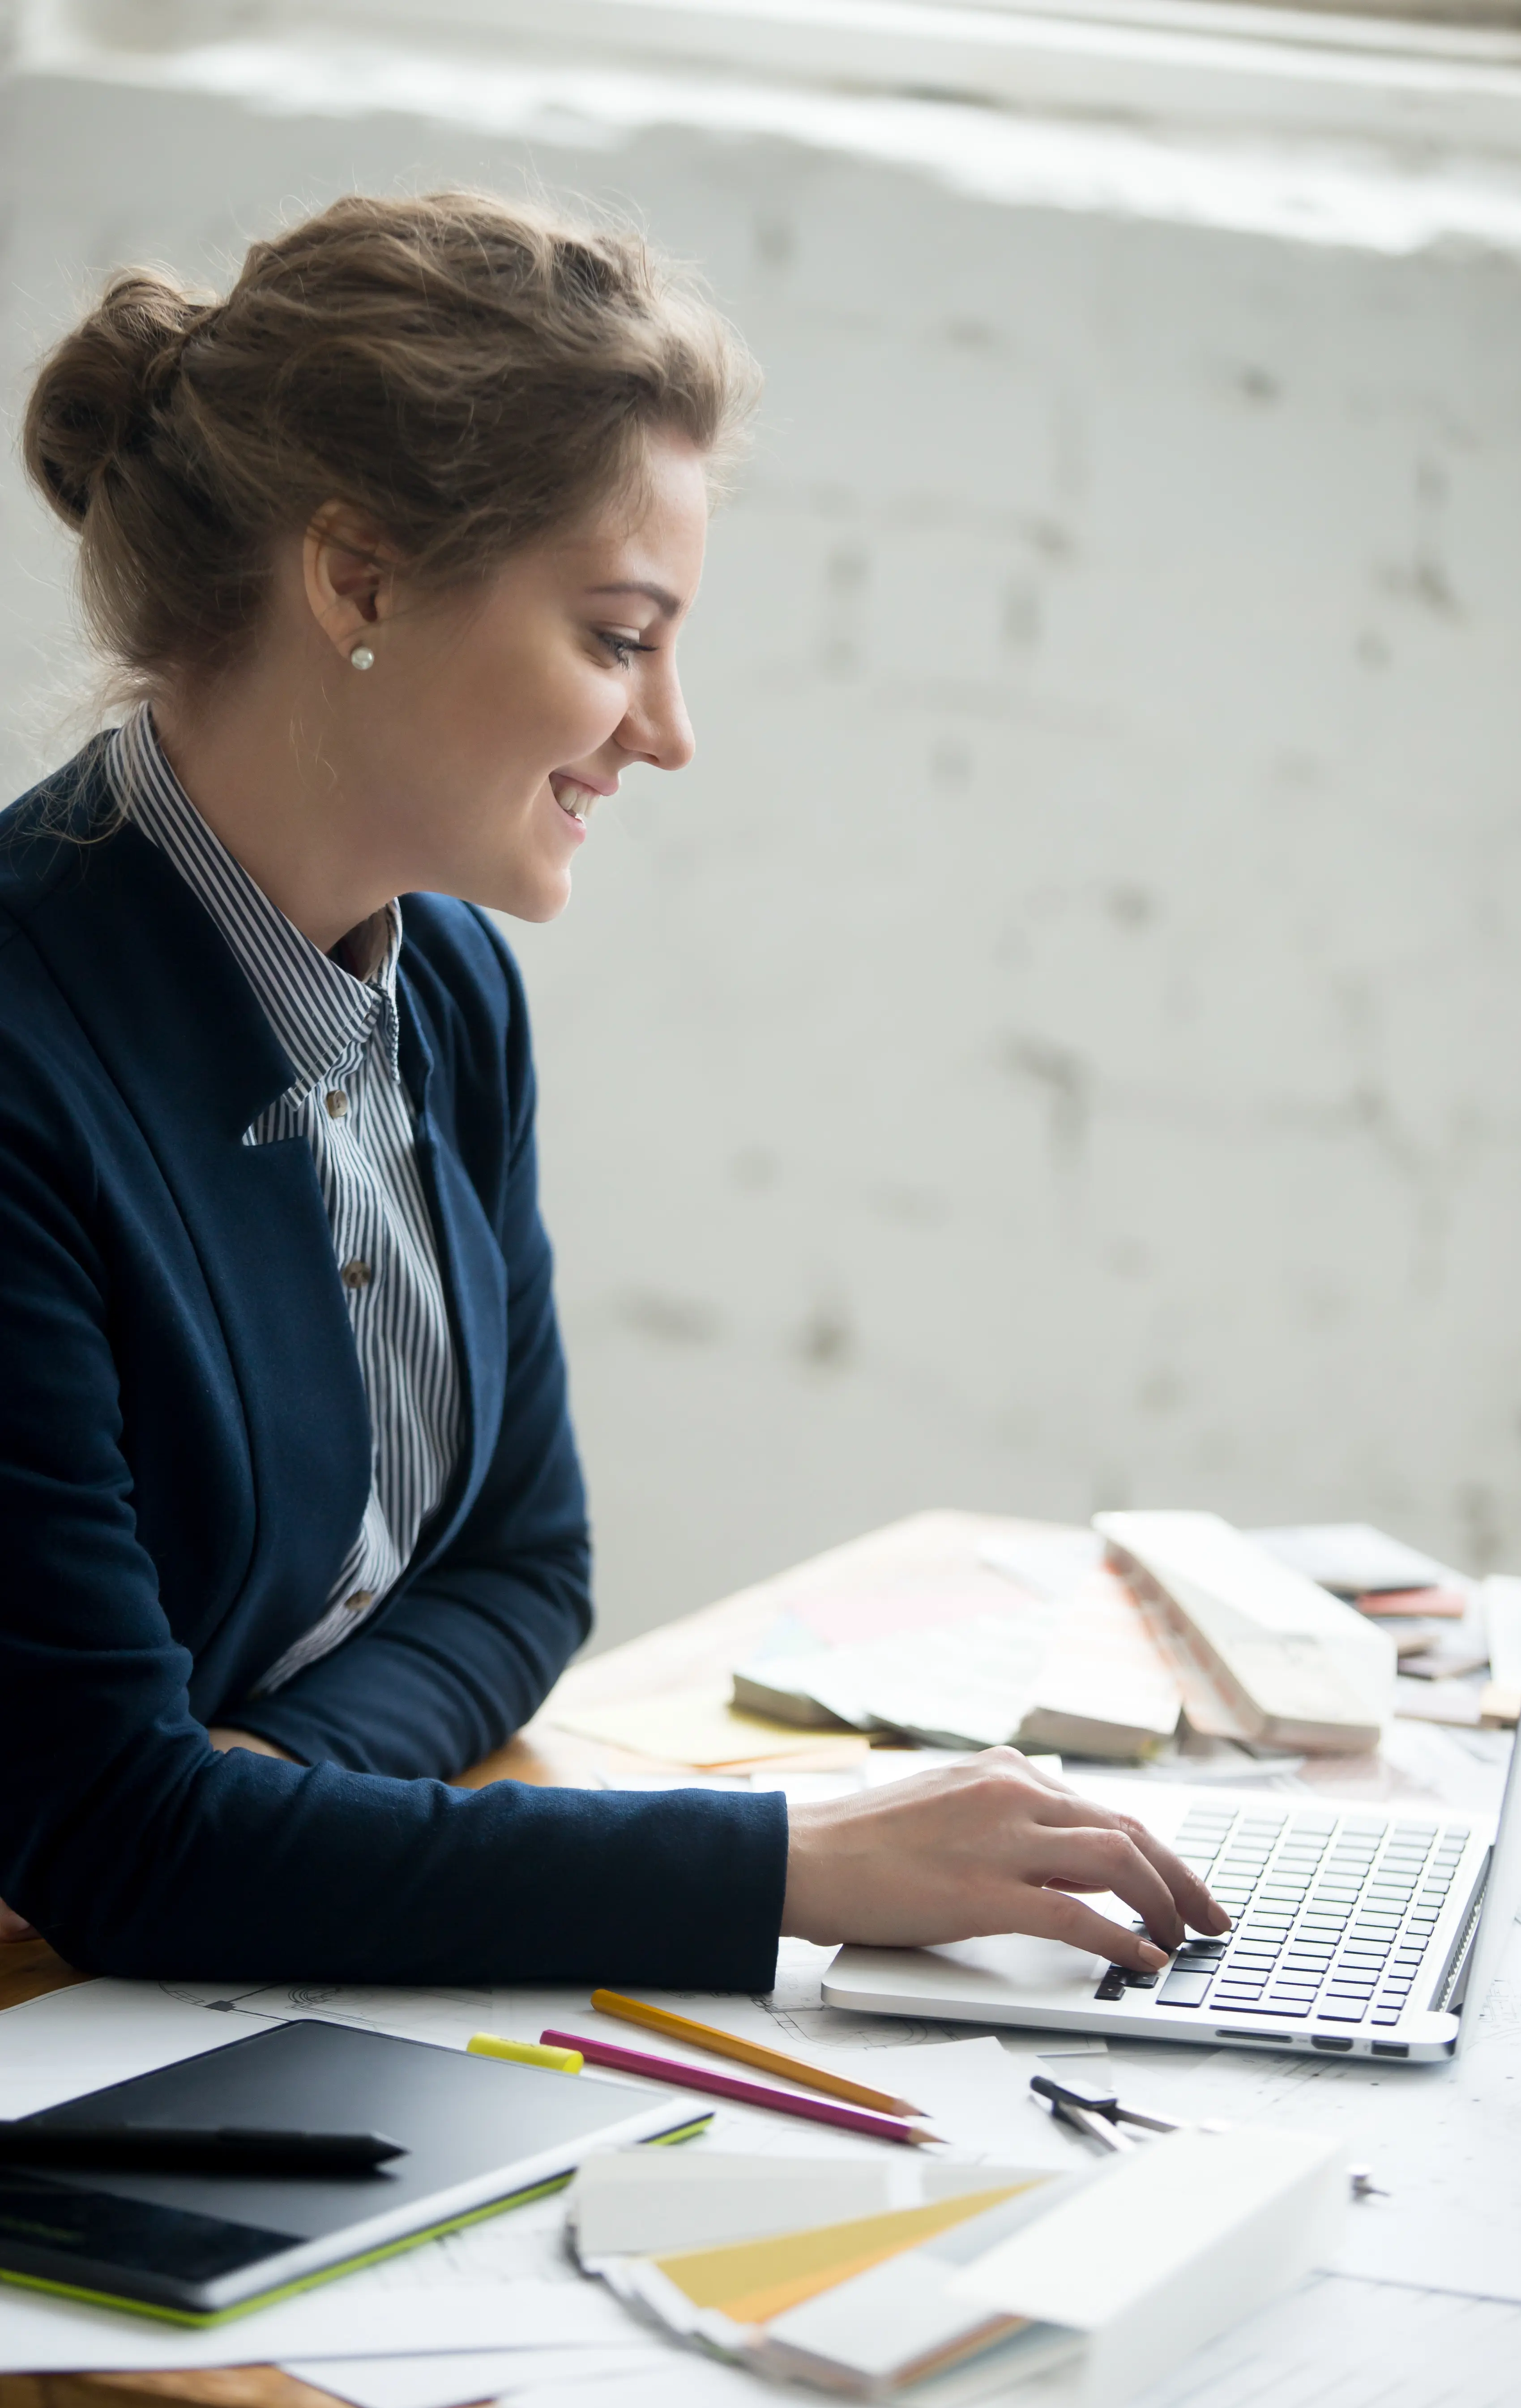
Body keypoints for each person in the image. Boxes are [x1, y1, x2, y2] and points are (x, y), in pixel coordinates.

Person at [0, 192, 1225, 1986]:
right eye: (616, 637)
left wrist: (257, 1807)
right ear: (357, 580)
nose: (666, 731)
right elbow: (121, 1839)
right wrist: (786, 1863)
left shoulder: (453, 991)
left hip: (177, 1980)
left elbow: (519, 1571)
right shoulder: (25, 1064)